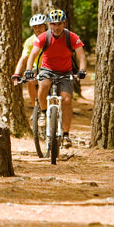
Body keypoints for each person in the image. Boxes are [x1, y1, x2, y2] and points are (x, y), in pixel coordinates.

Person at [24, 9, 87, 148]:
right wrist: (28, 70)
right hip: (47, 70)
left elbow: (81, 55)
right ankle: (43, 113)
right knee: (44, 85)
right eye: (53, 24)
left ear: (64, 23)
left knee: (67, 100)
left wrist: (82, 70)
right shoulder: (43, 37)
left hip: (65, 71)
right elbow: (32, 55)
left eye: (59, 24)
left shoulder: (71, 37)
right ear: (49, 24)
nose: (56, 27)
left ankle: (66, 135)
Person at [11, 13, 48, 106]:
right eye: (35, 27)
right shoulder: (30, 41)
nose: (38, 29)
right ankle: (37, 107)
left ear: (45, 26)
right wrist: (17, 73)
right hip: (38, 68)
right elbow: (23, 58)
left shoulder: (52, 37)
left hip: (52, 66)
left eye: (40, 26)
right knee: (30, 81)